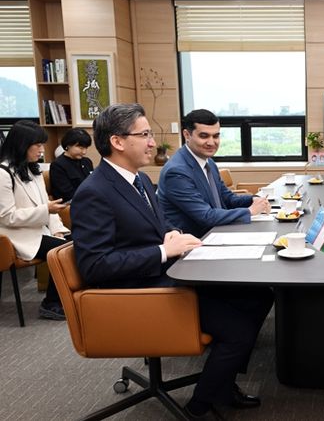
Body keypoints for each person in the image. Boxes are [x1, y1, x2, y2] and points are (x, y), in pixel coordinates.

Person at [70, 103, 274, 418]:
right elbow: (95, 266)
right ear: (118, 141)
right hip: (137, 294)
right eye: (144, 135)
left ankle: (222, 383)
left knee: (258, 296)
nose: (153, 143)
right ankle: (200, 406)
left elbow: (159, 226)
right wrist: (164, 251)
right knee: (239, 332)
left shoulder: (139, 180)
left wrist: (173, 235)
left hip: (165, 273)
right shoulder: (94, 192)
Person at [157, 109, 270, 238]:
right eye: (204, 136)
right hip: (197, 241)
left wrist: (253, 199)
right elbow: (206, 216)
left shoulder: (208, 162)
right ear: (187, 135)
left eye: (216, 136)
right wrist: (250, 211)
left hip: (218, 233)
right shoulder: (176, 172)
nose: (211, 142)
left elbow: (227, 198)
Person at [0, 120, 70, 320]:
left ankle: (63, 298)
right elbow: (7, 216)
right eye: (37, 145)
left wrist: (58, 229)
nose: (42, 150)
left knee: (80, 240)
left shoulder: (33, 169)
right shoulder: (3, 173)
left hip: (39, 231)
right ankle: (51, 303)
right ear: (22, 145)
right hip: (15, 236)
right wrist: (46, 210)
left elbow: (48, 206)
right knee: (63, 250)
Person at [49, 128, 94, 202]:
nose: (84, 152)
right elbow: (67, 194)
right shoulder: (57, 165)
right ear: (68, 145)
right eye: (81, 148)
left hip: (89, 199)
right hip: (71, 203)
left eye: (86, 148)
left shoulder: (87, 162)